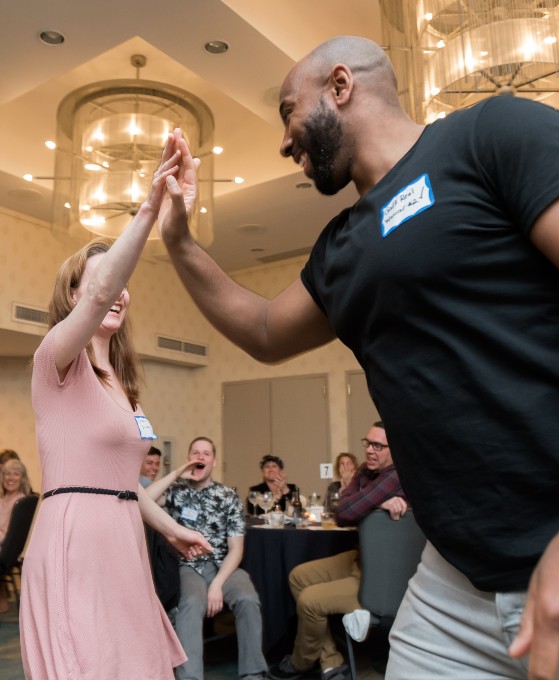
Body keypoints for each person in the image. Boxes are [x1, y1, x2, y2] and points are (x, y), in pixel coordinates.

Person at [157, 34, 559, 679]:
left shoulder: (489, 134)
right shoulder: (339, 245)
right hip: (454, 588)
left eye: (289, 111)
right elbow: (264, 329)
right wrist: (179, 240)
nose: (285, 141)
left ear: (340, 86)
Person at [20, 135, 212, 680]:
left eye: (124, 283)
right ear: (74, 294)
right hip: (74, 539)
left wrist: (169, 529)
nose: (118, 291)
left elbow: (122, 483)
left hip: (123, 542)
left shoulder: (123, 387)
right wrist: (151, 207)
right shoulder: (55, 359)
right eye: (105, 280)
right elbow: (103, 292)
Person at [269, 422, 407, 680]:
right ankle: (330, 660)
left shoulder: (397, 474)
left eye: (378, 445)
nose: (369, 451)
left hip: (380, 577)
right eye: (367, 443)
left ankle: (300, 662)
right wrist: (378, 500)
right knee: (298, 576)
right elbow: (342, 512)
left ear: (394, 448)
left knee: (310, 601)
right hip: (360, 558)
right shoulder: (366, 471)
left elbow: (346, 509)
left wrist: (367, 500)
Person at [147, 436, 268, 680]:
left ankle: (253, 674)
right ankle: (190, 677)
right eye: (195, 453)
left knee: (248, 599)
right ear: (190, 459)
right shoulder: (177, 493)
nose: (201, 457)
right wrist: (178, 472)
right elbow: (144, 500)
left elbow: (236, 549)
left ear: (214, 461)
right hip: (188, 567)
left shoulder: (227, 496)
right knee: (190, 605)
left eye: (206, 453)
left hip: (225, 567)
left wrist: (217, 585)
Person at [0, 458, 32, 612]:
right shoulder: (1, 500)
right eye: (6, 474)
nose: (10, 478)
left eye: (15, 474)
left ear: (22, 478)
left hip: (6, 551)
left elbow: (6, 535)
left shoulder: (21, 502)